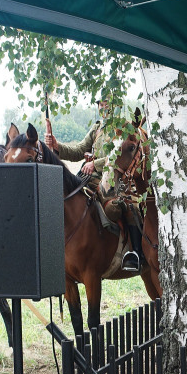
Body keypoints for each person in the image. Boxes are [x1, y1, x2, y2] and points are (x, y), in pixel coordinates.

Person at [44, 97, 145, 272]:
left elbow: (121, 153)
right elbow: (78, 151)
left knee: (121, 207)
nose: (104, 106)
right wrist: (56, 145)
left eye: (108, 103)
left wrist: (96, 163)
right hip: (88, 178)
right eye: (101, 104)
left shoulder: (123, 128)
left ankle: (136, 254)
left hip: (114, 178)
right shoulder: (97, 129)